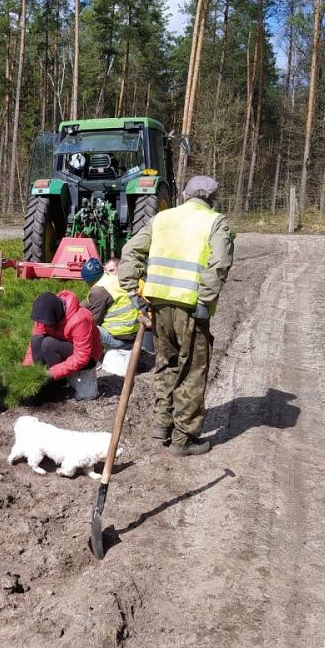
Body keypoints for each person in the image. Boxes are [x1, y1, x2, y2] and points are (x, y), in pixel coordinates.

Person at [119, 175, 234, 456]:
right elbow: (219, 263)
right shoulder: (216, 221)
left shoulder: (161, 219)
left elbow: (130, 251)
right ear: (212, 198)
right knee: (192, 370)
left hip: (159, 305)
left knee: (166, 363)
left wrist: (134, 293)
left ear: (184, 194)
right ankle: (183, 438)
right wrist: (205, 300)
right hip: (191, 307)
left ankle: (162, 423)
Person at [23, 291, 103, 385]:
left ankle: (58, 384)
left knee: (48, 344)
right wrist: (27, 369)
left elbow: (82, 356)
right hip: (63, 348)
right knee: (36, 340)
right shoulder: (44, 313)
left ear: (57, 316)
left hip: (88, 358)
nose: (44, 325)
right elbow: (34, 342)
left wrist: (52, 373)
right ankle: (39, 380)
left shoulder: (81, 319)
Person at [81, 257, 139, 351]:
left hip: (120, 339)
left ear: (87, 281)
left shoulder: (98, 290)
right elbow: (89, 301)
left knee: (85, 326)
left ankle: (92, 358)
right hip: (134, 333)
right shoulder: (113, 279)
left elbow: (94, 319)